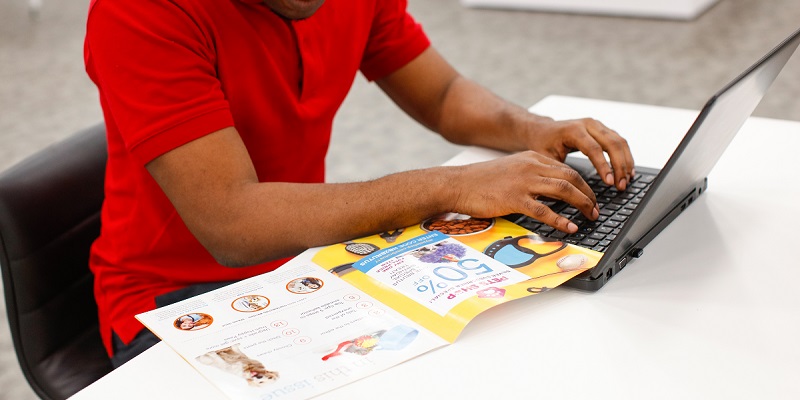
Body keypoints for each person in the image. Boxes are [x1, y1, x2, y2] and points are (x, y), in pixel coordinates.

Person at [83, 0, 634, 367]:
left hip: (301, 266)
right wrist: (450, 185)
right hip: (169, 300)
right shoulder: (141, 13)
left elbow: (441, 96)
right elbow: (232, 224)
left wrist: (534, 129)